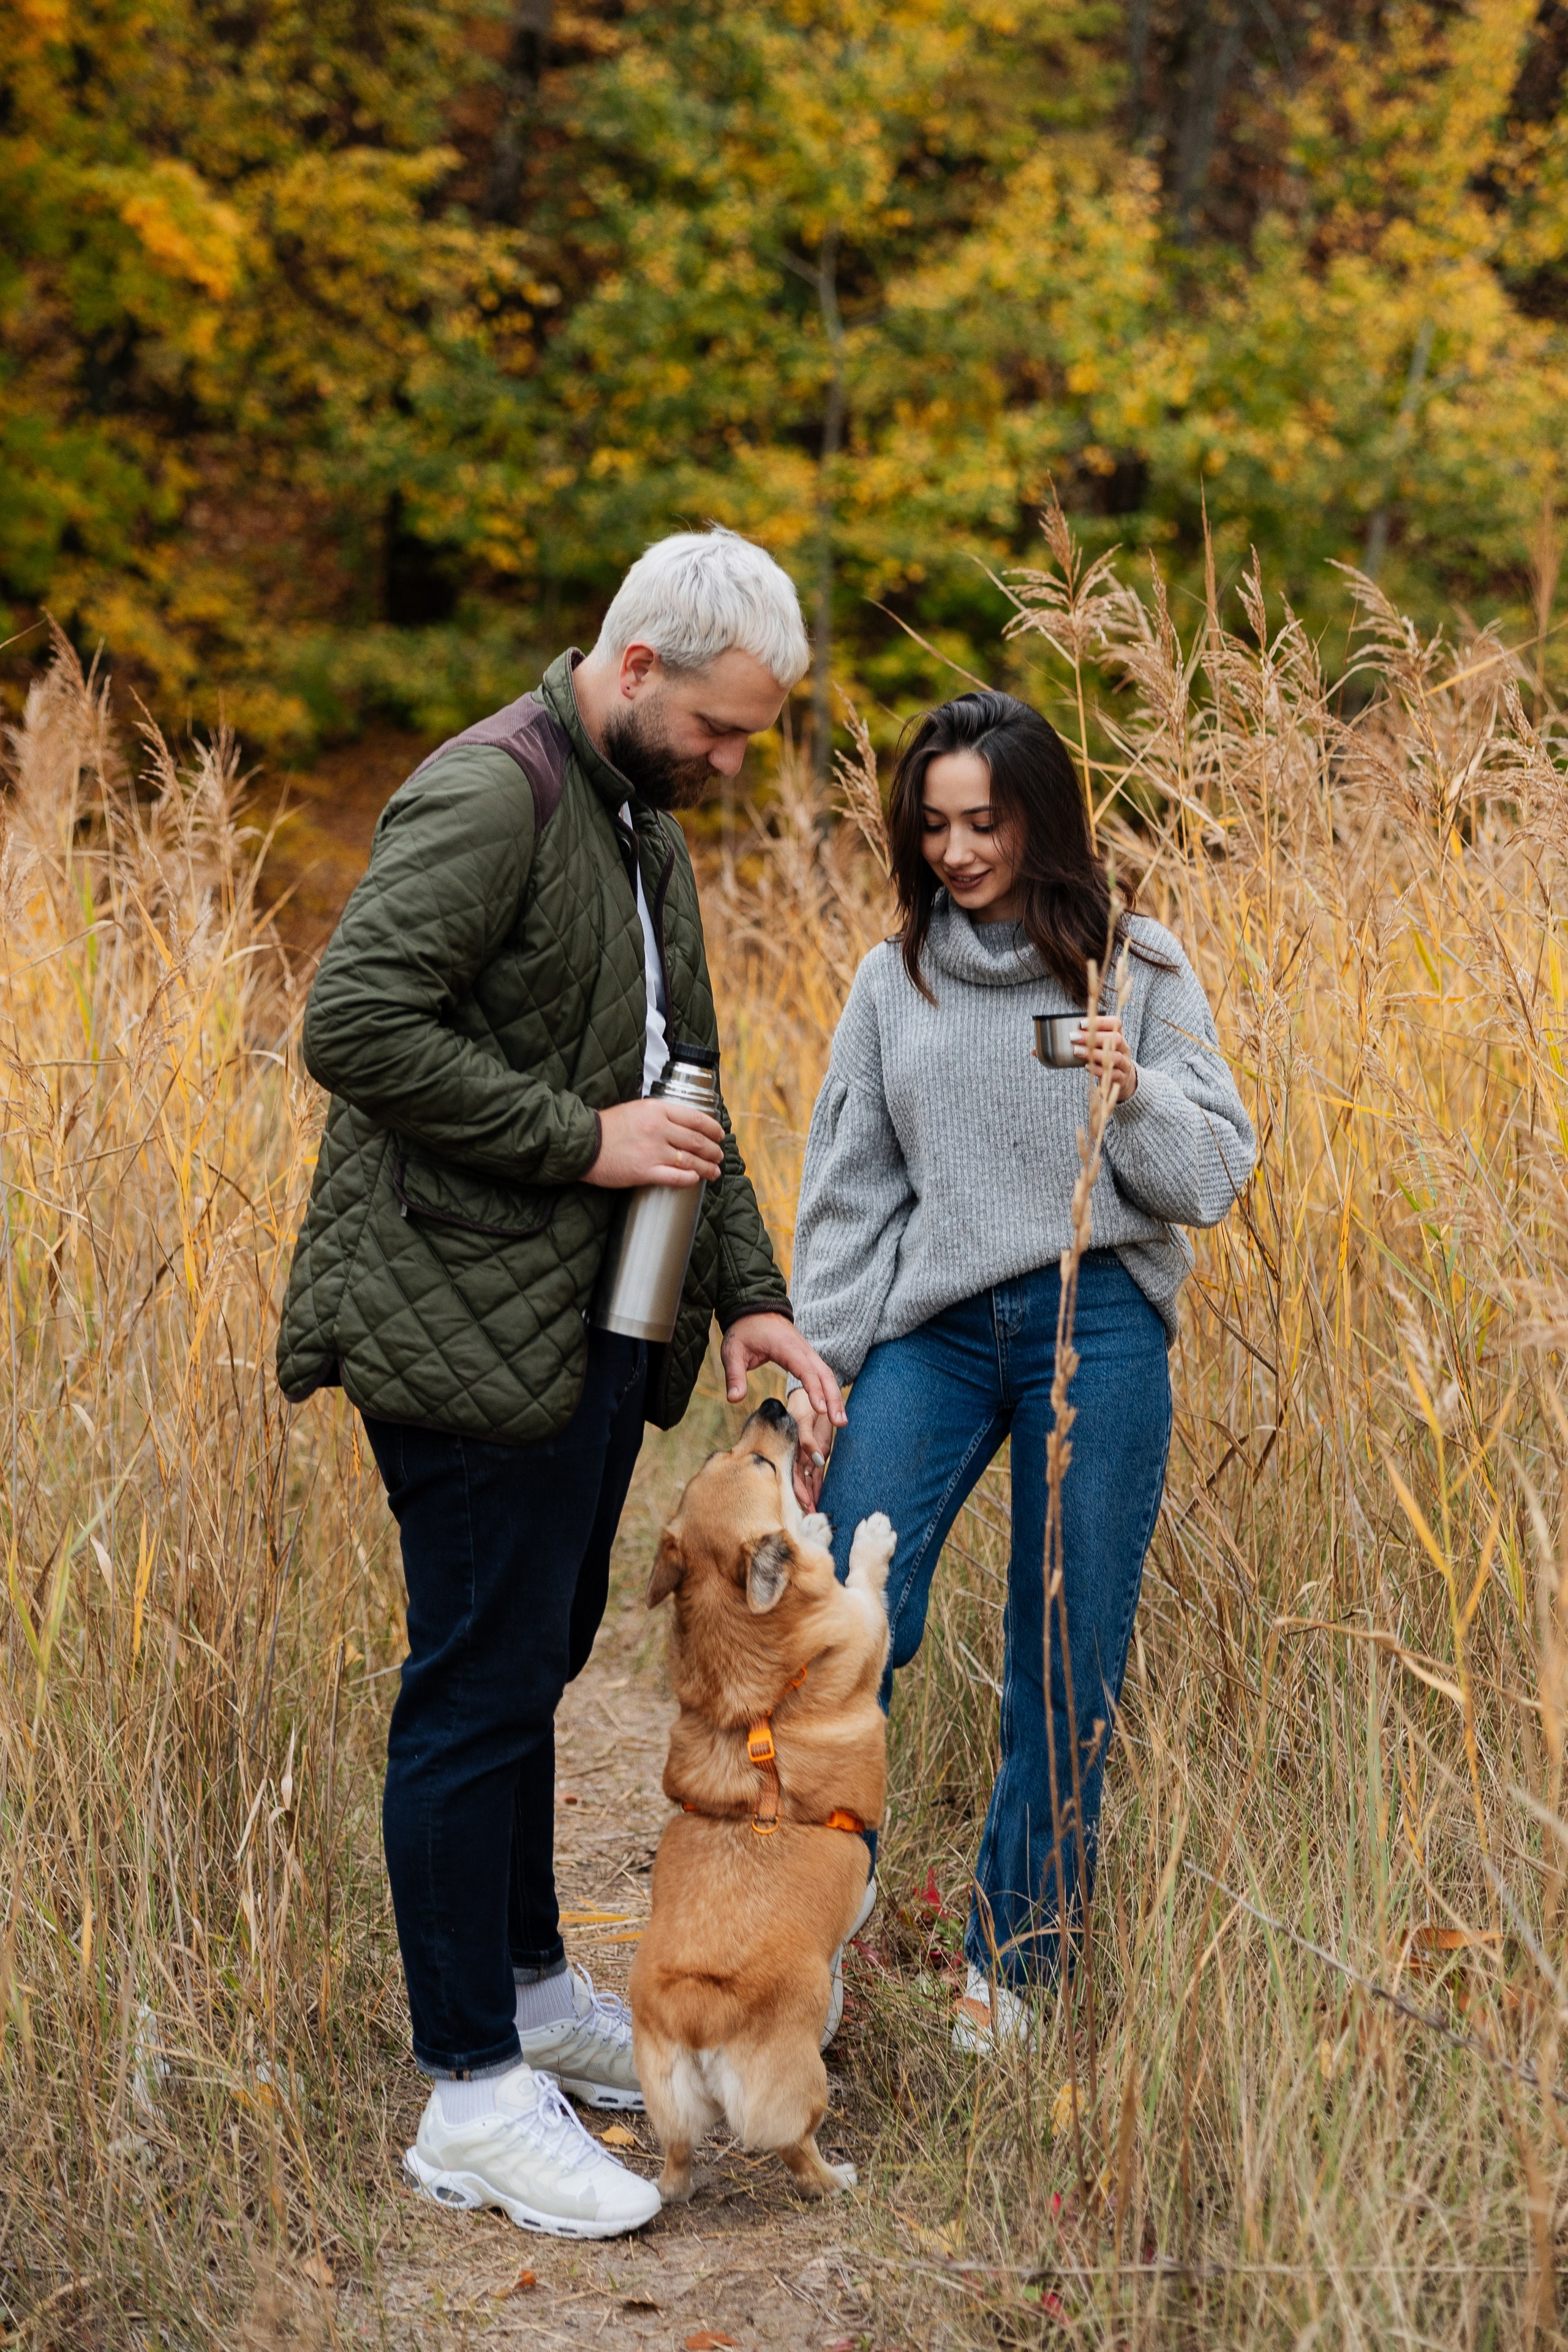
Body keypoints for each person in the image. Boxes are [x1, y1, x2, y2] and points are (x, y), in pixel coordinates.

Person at [276, 528, 846, 2236]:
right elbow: (354, 1022)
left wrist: (750, 1296)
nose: (737, 765)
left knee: (528, 1663)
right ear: (641, 666)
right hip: (453, 1323)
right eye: (727, 732)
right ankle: (469, 2096)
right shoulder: (490, 795)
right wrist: (579, 1142)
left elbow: (694, 1089)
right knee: (469, 1687)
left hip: (586, 1329)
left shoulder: (638, 819)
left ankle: (526, 1995)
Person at [786, 690, 1254, 2049]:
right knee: (843, 1614)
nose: (956, 850)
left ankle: (1015, 1967)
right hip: (931, 1331)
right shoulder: (896, 980)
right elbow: (847, 1199)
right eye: (930, 825)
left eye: (982, 821)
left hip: (1093, 1320)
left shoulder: (1136, 965)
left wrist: (1135, 1088)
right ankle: (805, 1919)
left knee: (1064, 1653)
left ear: (1038, 817)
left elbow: (1210, 1180)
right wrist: (819, 1379)